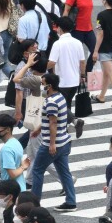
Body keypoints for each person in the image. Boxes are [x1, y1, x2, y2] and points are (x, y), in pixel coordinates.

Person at [30, 73, 77, 211]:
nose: (41, 86)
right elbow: (51, 119)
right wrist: (39, 129)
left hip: (53, 144)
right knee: (64, 173)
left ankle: (35, 203)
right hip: (64, 142)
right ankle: (71, 201)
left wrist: (51, 144)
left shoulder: (50, 102)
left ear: (49, 86)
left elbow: (53, 123)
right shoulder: (60, 97)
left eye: (43, 84)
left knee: (37, 170)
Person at [47, 16, 86, 136]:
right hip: (74, 80)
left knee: (61, 106)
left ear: (59, 28)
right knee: (67, 103)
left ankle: (74, 121)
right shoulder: (78, 43)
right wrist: (82, 75)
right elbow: (82, 61)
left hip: (61, 81)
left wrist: (41, 67)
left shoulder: (57, 44)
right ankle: (66, 126)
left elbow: (52, 62)